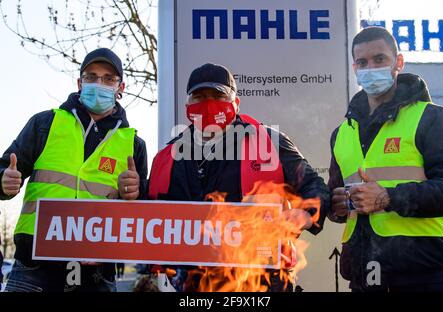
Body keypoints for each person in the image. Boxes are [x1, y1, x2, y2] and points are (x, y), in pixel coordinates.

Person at [123, 63, 331, 291]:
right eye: (199, 97)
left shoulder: (270, 142)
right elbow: (158, 211)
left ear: (236, 103)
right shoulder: (167, 156)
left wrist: (305, 214)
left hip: (260, 281)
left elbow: (313, 185)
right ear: (187, 106)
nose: (208, 104)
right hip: (189, 283)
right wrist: (137, 191)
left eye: (217, 95)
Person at [0, 48, 148, 292]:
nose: (99, 83)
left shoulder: (134, 145)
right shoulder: (45, 124)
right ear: (80, 83)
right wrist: (4, 182)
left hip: (97, 276)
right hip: (33, 269)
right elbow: (5, 169)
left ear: (120, 88)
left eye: (109, 79)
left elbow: (138, 216)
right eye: (91, 77)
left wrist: (136, 192)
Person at [328, 27, 443, 292]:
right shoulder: (342, 134)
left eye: (379, 59)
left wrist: (388, 197)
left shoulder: (432, 119)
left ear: (399, 62)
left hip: (422, 274)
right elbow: (337, 199)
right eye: (362, 62)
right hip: (363, 276)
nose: (370, 68)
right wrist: (336, 206)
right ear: (354, 68)